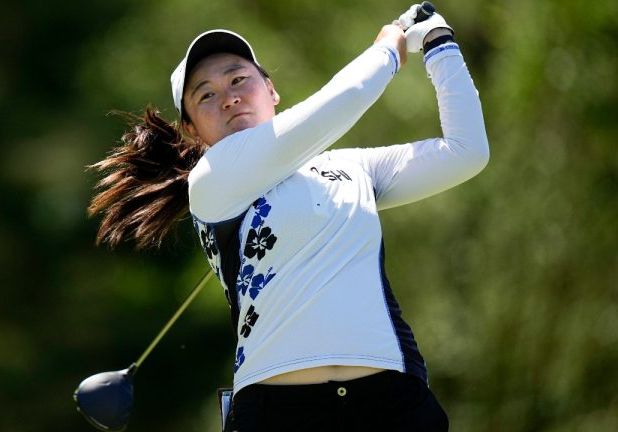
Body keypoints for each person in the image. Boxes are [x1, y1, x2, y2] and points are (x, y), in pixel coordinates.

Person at [88, 4, 488, 431]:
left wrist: (440, 47)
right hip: (278, 411)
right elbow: (341, 102)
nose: (228, 97)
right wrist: (387, 47)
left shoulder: (352, 168)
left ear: (271, 89)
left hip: (391, 401)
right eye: (205, 94)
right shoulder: (211, 180)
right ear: (190, 129)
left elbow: (466, 152)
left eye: (239, 78)